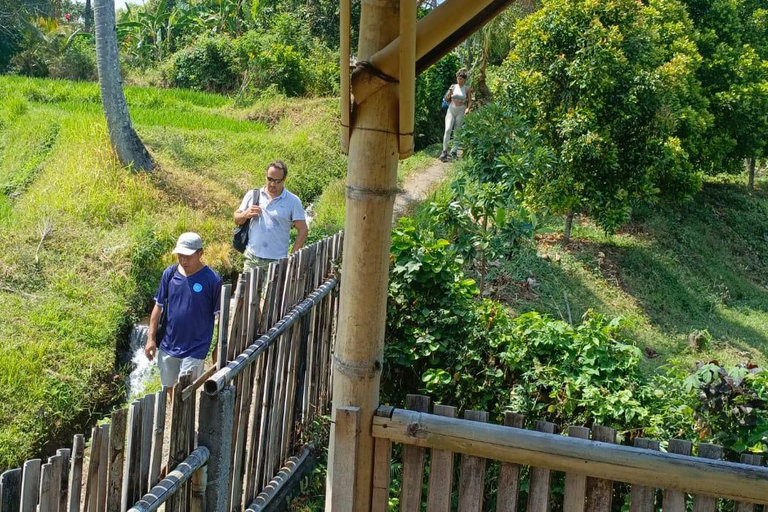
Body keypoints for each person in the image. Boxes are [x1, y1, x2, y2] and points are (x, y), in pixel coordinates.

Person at [144, 232, 223, 388]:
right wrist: (151, 338)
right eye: (180, 255)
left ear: (200, 253)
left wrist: (217, 348)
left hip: (196, 348)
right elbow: (158, 306)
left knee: (186, 391)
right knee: (169, 387)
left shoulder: (212, 279)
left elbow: (220, 316)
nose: (183, 260)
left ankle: (184, 413)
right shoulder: (170, 274)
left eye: (188, 256)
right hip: (168, 345)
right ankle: (176, 413)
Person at [233, 160, 308, 272]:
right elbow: (236, 219)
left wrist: (292, 255)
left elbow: (303, 230)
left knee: (271, 290)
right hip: (251, 258)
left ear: (284, 180)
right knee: (247, 290)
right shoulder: (253, 195)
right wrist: (245, 214)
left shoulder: (293, 201)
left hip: (276, 262)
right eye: (270, 179)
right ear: (265, 177)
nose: (273, 184)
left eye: (277, 181)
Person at [439, 68, 473, 162]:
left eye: (461, 79)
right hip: (451, 109)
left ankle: (454, 151)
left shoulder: (467, 89)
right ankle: (444, 151)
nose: (459, 80)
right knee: (448, 129)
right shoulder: (453, 86)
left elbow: (470, 101)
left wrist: (468, 108)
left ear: (464, 79)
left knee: (457, 131)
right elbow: (446, 99)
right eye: (458, 78)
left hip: (461, 110)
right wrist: (449, 94)